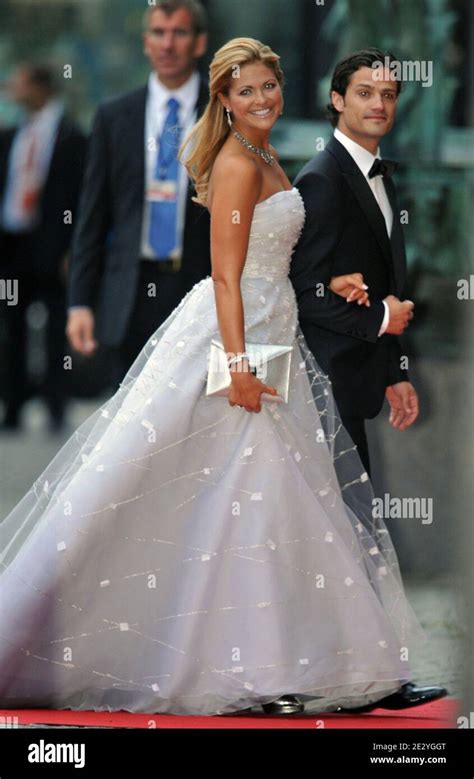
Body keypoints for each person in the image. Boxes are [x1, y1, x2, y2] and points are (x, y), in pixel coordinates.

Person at [0, 39, 438, 718]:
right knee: (241, 484)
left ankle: (290, 659)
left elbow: (283, 255)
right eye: (248, 91)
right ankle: (255, 665)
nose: (263, 99)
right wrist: (236, 366)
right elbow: (228, 277)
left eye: (270, 86)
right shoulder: (237, 163)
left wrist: (336, 283)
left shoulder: (265, 155)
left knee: (264, 490)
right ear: (225, 100)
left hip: (274, 332)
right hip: (239, 337)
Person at [289, 48, 447, 713]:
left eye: (387, 94)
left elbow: (384, 286)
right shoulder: (323, 179)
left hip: (356, 378)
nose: (379, 104)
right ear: (336, 100)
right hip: (320, 386)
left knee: (353, 531)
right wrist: (382, 320)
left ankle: (365, 677)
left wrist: (397, 370)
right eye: (364, 93)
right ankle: (365, 678)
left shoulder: (384, 177)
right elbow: (305, 295)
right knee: (350, 531)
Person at [67, 0, 211, 386]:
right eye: (159, 33)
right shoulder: (114, 115)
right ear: (146, 42)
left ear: (199, 43)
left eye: (179, 33)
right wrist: (80, 302)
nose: (168, 45)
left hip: (200, 288)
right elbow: (92, 216)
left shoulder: (222, 111)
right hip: (128, 294)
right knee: (131, 424)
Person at [0, 63, 86, 432]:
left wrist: (75, 248)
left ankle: (55, 407)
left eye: (19, 83)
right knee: (11, 324)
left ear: (41, 87)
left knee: (55, 328)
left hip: (52, 249)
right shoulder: (12, 134)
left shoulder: (72, 136)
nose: (12, 90)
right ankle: (13, 406)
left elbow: (82, 196)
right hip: (11, 246)